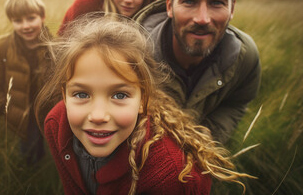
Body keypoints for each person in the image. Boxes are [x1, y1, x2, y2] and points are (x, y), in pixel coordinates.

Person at [35, 14, 254, 195]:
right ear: (64, 96)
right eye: (81, 94)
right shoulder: (56, 125)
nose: (98, 116)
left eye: (119, 95)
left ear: (143, 99)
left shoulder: (172, 177)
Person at [134, 0, 261, 144]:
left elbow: (236, 102)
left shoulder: (245, 57)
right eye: (189, 1)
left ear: (232, 8)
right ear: (170, 6)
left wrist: (205, 141)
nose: (202, 19)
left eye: (217, 2)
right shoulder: (131, 55)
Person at [0, 0, 52, 165]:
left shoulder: (54, 46)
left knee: (50, 147)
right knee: (28, 150)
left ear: (42, 17)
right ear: (11, 21)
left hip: (45, 111)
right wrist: (3, 108)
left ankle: (45, 165)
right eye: (18, 21)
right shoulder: (3, 47)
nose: (25, 26)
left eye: (31, 18)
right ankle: (30, 173)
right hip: (19, 112)